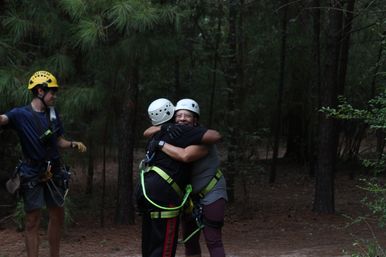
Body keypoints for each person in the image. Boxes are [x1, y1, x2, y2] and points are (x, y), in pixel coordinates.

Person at [0, 70, 87, 257]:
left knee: (57, 216)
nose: (54, 96)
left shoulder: (53, 114)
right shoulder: (19, 114)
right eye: (52, 92)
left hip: (54, 171)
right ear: (40, 91)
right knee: (32, 220)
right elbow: (2, 120)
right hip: (31, 172)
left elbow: (57, 141)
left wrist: (72, 144)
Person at [137, 98, 221, 257]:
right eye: (179, 115)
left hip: (146, 189)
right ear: (172, 115)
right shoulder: (180, 131)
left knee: (150, 239)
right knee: (164, 246)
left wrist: (161, 141)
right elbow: (214, 136)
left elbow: (147, 132)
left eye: (186, 116)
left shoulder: (161, 132)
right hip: (163, 192)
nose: (182, 119)